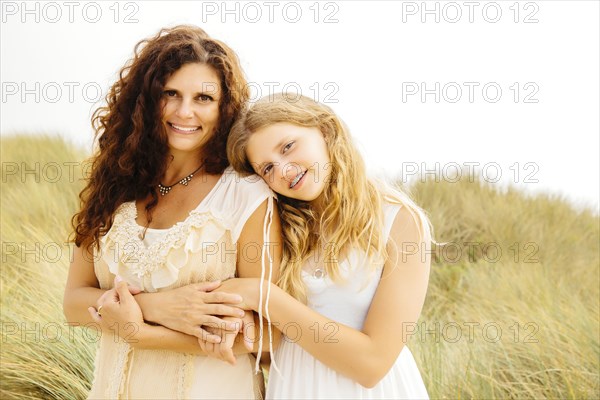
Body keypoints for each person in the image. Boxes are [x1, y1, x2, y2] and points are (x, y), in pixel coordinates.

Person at [63, 25, 282, 399]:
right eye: (171, 94)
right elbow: (73, 303)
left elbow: (269, 333)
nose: (185, 111)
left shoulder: (245, 196)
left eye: (203, 98)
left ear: (224, 106)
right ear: (146, 99)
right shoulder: (115, 184)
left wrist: (144, 333)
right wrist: (157, 306)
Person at [219, 93, 432, 399]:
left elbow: (372, 364)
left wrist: (262, 295)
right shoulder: (276, 230)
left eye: (288, 147)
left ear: (325, 130)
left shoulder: (398, 220)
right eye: (267, 168)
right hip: (294, 388)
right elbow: (270, 351)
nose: (284, 170)